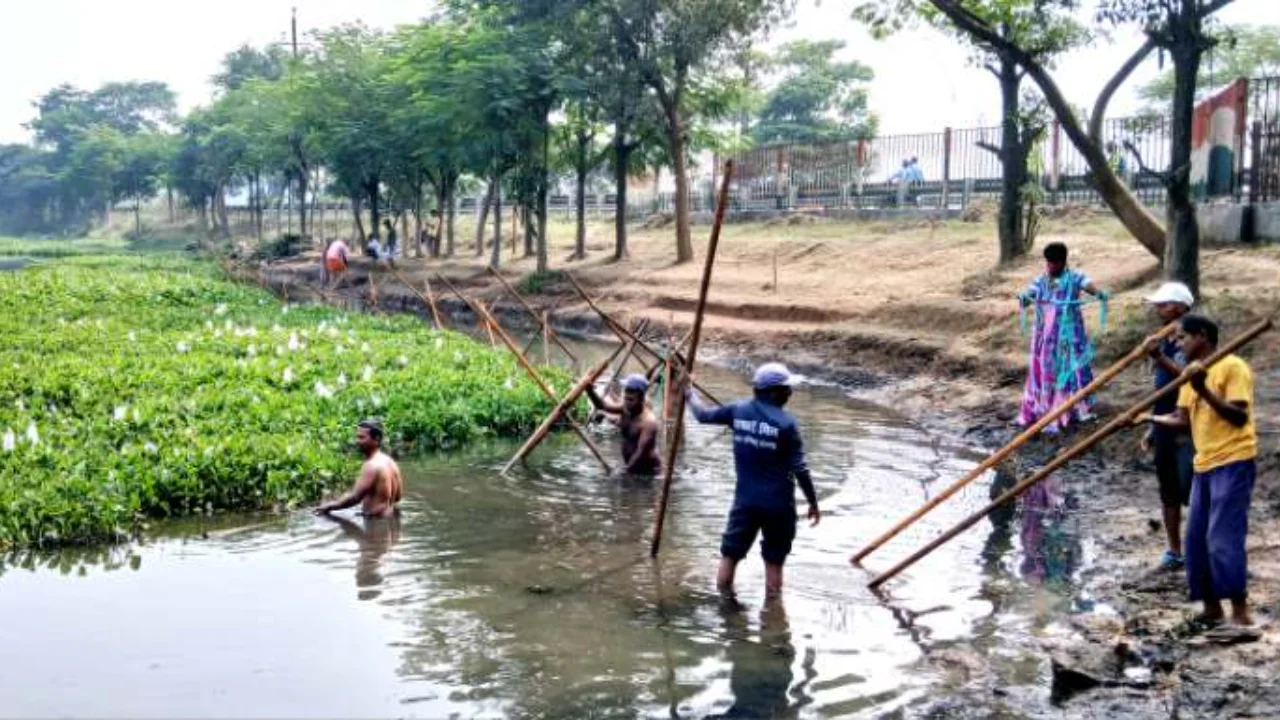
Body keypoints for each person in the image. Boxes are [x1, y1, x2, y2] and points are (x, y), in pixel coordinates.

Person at [1138, 315, 1257, 630]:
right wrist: (1144, 421)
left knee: (1222, 538)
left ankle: (1241, 615)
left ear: (1202, 336)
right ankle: (1211, 609)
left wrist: (1202, 388)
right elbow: (1181, 419)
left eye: (1182, 338)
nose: (1177, 343)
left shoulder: (1232, 367)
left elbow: (1239, 417)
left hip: (1233, 461)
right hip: (1204, 464)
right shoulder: (1190, 376)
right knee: (1195, 542)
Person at [685, 363, 821, 599]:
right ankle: (772, 617)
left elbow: (702, 415)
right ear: (774, 392)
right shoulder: (787, 424)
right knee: (774, 563)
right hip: (779, 505)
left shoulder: (737, 411)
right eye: (787, 389)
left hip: (745, 502)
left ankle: (725, 609)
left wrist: (688, 392)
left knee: (730, 556)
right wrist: (813, 502)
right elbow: (800, 468)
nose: (790, 393)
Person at [1016, 242, 1109, 433]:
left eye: (1054, 263)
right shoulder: (1041, 281)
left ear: (1063, 261)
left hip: (1069, 339)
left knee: (1069, 371)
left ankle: (1072, 408)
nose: (1050, 266)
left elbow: (1089, 286)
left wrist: (1100, 294)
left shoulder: (1076, 278)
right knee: (1046, 370)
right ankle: (1044, 407)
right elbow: (1029, 296)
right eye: (1048, 262)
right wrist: (1024, 298)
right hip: (1045, 340)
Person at [1140, 282, 1197, 570]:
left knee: (1195, 488)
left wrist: (1159, 357)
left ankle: (1204, 547)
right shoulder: (1164, 338)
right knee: (1168, 490)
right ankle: (1174, 551)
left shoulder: (1193, 337)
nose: (1157, 308)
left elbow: (1190, 378)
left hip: (1188, 423)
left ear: (1180, 307)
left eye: (1163, 304)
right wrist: (1152, 423)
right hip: (1164, 420)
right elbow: (1160, 386)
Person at [315, 419, 403, 518]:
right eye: (357, 437)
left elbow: (355, 498)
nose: (357, 441)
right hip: (388, 520)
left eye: (362, 438)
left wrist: (328, 506)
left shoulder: (371, 465)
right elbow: (398, 497)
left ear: (377, 439)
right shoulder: (391, 462)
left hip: (375, 526)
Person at [586, 373, 662, 476]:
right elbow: (602, 405)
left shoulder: (649, 422)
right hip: (631, 467)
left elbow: (640, 453)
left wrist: (624, 472)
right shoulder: (625, 408)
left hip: (649, 472)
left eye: (631, 399)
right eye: (626, 396)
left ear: (641, 398)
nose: (627, 402)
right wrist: (589, 390)